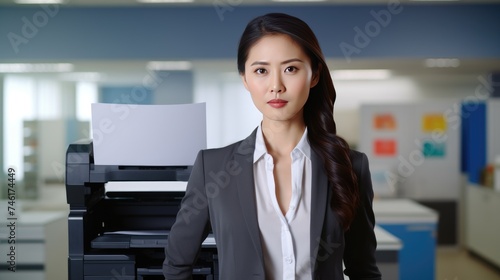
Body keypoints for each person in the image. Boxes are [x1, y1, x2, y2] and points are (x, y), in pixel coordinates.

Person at [163, 13, 381, 280]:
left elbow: (364, 271)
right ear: (245, 79)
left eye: (291, 68)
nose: (276, 86)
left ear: (314, 75)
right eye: (261, 71)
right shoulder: (213, 168)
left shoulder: (350, 166)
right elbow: (177, 265)